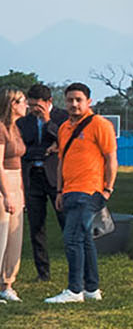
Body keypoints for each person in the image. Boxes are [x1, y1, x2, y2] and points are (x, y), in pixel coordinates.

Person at [46, 82, 116, 304]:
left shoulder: (100, 125)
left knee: (72, 238)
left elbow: (111, 159)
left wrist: (107, 189)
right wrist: (59, 190)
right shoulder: (64, 127)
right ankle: (92, 289)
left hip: (89, 190)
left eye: (78, 100)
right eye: (70, 100)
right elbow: (61, 162)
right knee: (84, 239)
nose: (74, 104)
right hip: (69, 190)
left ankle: (75, 290)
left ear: (89, 102)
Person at [18, 84, 67, 282]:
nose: (33, 110)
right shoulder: (24, 121)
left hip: (55, 177)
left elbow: (64, 142)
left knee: (66, 223)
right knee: (36, 226)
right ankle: (43, 272)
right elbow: (23, 148)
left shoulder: (62, 118)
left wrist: (47, 122)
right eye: (30, 106)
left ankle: (76, 269)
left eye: (37, 106)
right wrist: (43, 150)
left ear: (48, 102)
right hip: (33, 176)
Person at [1, 88, 26, 301]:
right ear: (12, 104)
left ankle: (7, 283)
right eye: (22, 101)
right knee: (1, 236)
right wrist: (7, 194)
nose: (26, 105)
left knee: (14, 237)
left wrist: (19, 193)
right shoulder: (1, 129)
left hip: (17, 184)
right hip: (4, 185)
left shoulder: (16, 128)